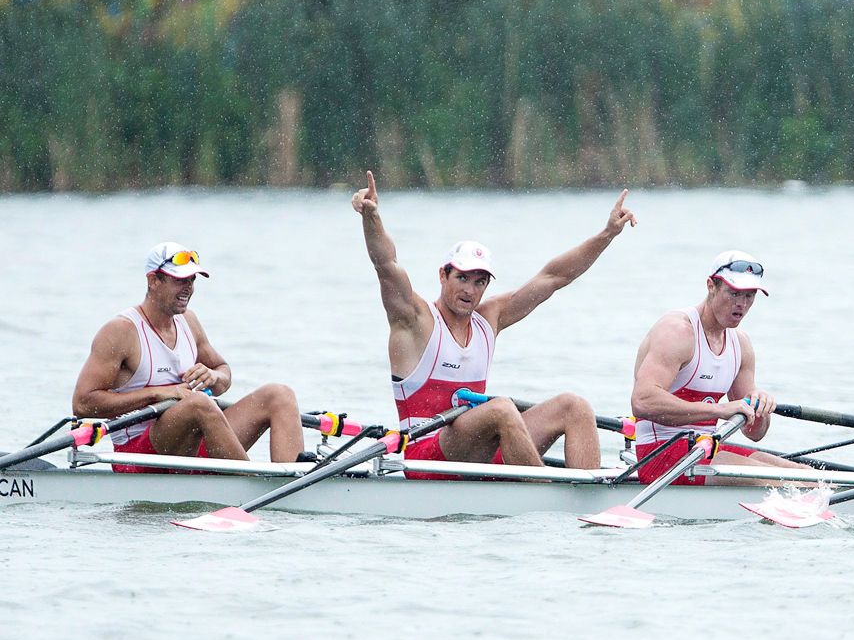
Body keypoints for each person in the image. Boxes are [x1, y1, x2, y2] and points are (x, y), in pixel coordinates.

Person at [352, 171, 634, 479]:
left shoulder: (490, 319)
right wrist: (371, 218)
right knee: (501, 408)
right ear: (443, 276)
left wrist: (607, 234)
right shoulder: (415, 320)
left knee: (575, 407)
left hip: (478, 452)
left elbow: (554, 278)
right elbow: (386, 265)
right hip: (424, 455)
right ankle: (549, 498)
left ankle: (587, 500)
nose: (470, 291)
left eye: (479, 282)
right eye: (462, 278)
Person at [71, 243, 305, 473]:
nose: (189, 288)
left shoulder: (188, 322)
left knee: (279, 394)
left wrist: (213, 375)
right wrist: (158, 393)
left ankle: (295, 482)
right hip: (137, 457)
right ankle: (253, 484)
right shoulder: (120, 331)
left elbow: (223, 373)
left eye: (192, 280)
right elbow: (82, 404)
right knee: (199, 404)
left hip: (191, 445)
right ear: (153, 280)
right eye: (179, 280)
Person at [629, 251, 808, 486]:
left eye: (749, 296)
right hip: (659, 457)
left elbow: (754, 434)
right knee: (778, 483)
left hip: (705, 449)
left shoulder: (740, 344)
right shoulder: (678, 332)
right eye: (734, 293)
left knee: (810, 477)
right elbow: (642, 402)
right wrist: (719, 410)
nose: (741, 304)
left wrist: (761, 409)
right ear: (711, 286)